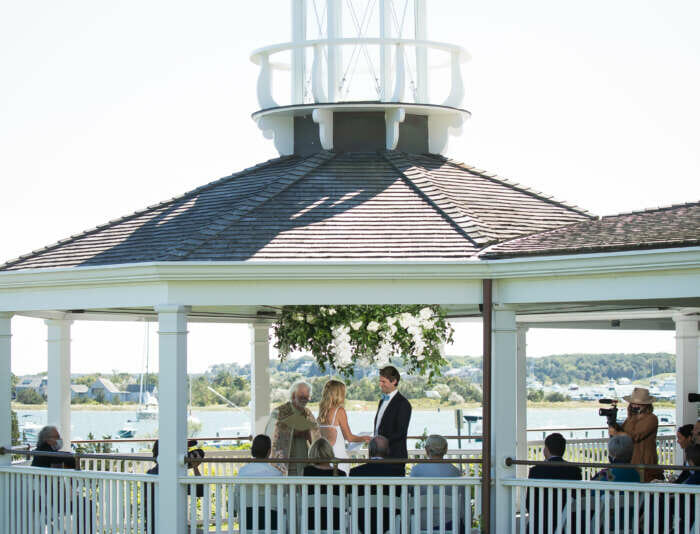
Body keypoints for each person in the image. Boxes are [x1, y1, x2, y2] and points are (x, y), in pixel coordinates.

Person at [527, 433, 582, 534]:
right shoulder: (575, 470)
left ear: (546, 449)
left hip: (542, 523)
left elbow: (529, 503)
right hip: (569, 523)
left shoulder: (536, 470)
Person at [350, 436, 403, 534]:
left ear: (369, 451)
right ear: (387, 451)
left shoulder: (355, 472)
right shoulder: (397, 472)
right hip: (389, 521)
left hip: (362, 522)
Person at [266, 381, 321, 475]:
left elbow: (316, 434)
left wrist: (308, 433)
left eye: (306, 397)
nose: (304, 399)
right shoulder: (279, 412)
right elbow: (269, 434)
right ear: (292, 395)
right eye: (301, 396)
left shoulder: (308, 413)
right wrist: (292, 432)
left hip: (304, 461)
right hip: (286, 462)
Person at [317, 379, 371, 470]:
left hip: (324, 457)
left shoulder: (322, 413)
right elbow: (349, 437)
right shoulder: (339, 411)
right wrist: (365, 438)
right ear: (339, 394)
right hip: (338, 457)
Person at [237, 435, 282, 529]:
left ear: (252, 450)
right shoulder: (276, 474)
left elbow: (237, 496)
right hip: (271, 521)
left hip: (248, 520)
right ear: (269, 451)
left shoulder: (242, 472)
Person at [374, 366, 412, 473]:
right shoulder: (382, 401)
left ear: (394, 381)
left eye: (383, 381)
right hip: (378, 457)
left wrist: (379, 443)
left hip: (394, 456)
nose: (380, 384)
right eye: (380, 381)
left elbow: (400, 432)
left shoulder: (403, 404)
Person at [303, 438, 346, 530]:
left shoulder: (307, 472)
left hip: (312, 521)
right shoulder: (341, 474)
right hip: (335, 522)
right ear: (329, 452)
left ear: (313, 452)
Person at [620, 387, 662, 482]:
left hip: (645, 463)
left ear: (646, 405)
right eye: (633, 403)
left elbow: (635, 436)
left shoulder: (652, 418)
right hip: (630, 461)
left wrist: (632, 418)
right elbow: (621, 434)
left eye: (638, 404)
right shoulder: (630, 419)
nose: (634, 406)